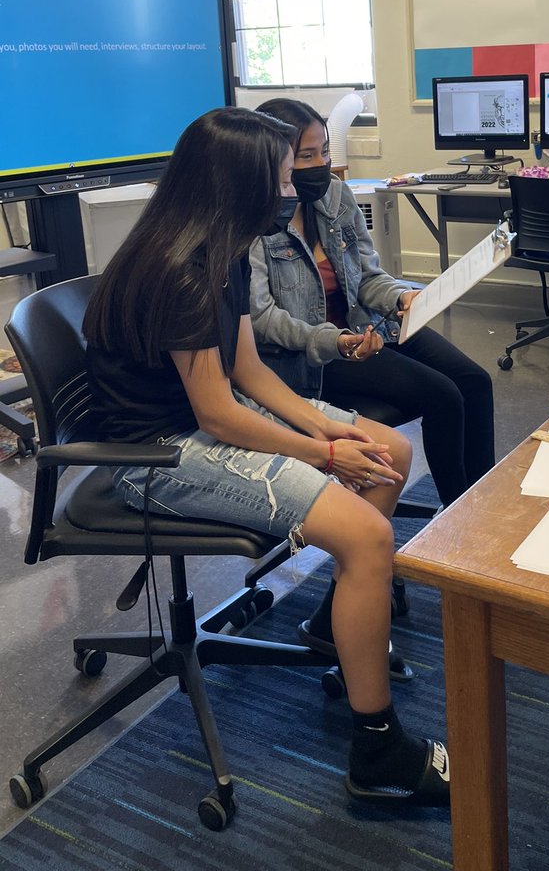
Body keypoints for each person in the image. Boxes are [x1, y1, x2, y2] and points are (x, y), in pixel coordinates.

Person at [83, 107, 449, 808]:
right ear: (244, 184)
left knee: (390, 450)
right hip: (155, 456)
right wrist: (322, 452)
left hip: (200, 421)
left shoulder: (218, 246)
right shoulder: (180, 270)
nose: (297, 185)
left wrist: (334, 436)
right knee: (369, 533)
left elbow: (247, 370)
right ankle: (377, 751)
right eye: (284, 175)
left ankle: (334, 622)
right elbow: (217, 412)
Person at [248, 97, 496, 509]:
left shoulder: (336, 195)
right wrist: (338, 340)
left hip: (368, 330)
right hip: (313, 356)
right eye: (305, 156)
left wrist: (401, 295)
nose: (321, 165)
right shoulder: (256, 219)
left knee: (475, 381)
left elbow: (366, 277)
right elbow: (262, 318)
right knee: (444, 396)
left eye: (325, 151)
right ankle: (459, 518)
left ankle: (483, 501)